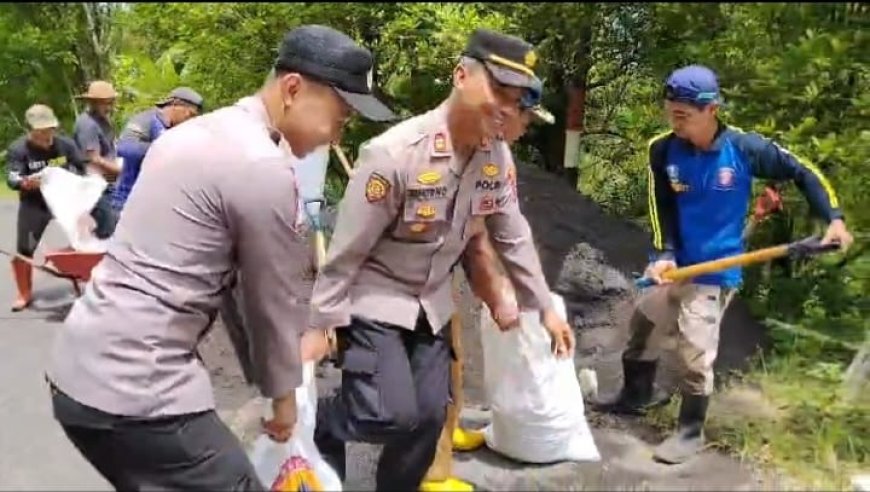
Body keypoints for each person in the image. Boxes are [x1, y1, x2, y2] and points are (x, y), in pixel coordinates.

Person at [46, 24, 395, 491]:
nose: (338, 133)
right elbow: (270, 307)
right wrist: (284, 403)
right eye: (340, 115)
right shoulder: (263, 168)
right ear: (293, 89)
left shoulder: (194, 135)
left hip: (77, 372)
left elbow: (234, 287)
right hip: (137, 393)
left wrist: (269, 383)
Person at [302, 29, 575, 491]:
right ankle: (332, 417)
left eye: (517, 99)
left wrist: (543, 306)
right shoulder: (394, 154)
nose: (506, 109)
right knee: (388, 414)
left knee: (429, 418)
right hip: (374, 297)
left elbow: (512, 234)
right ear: (461, 75)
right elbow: (346, 252)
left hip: (430, 304)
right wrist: (319, 324)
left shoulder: (496, 158)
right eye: (498, 91)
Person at [593, 64, 853, 465]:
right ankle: (635, 396)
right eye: (670, 112)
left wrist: (833, 218)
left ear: (711, 109)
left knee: (695, 348)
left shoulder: (745, 150)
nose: (674, 121)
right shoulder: (662, 149)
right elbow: (660, 206)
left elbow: (804, 171)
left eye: (684, 114)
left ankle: (689, 431)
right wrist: (663, 253)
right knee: (644, 324)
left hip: (717, 271)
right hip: (675, 263)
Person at [421, 77, 556, 492]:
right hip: (415, 275)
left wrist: (515, 290)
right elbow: (476, 238)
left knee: (454, 356)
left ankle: (449, 430)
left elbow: (504, 227)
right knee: (431, 367)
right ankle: (431, 471)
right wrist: (498, 293)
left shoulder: (496, 155)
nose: (527, 127)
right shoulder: (438, 150)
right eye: (527, 117)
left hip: (446, 267)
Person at [4, 104, 90, 311]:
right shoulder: (19, 149)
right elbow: (12, 177)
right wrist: (24, 183)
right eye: (40, 131)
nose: (46, 135)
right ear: (29, 130)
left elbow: (82, 168)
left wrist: (72, 178)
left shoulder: (65, 145)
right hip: (34, 203)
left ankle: (91, 283)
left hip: (64, 200)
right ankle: (24, 293)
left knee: (88, 240)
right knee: (25, 248)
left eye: (49, 129)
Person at [112, 87, 204, 212]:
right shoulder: (146, 120)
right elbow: (125, 148)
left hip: (151, 202)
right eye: (189, 114)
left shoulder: (172, 129)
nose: (189, 119)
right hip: (127, 199)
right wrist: (162, 148)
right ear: (176, 105)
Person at [73, 80, 121, 239]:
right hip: (92, 185)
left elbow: (110, 149)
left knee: (116, 227)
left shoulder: (104, 120)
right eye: (104, 104)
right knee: (108, 228)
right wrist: (119, 170)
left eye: (110, 103)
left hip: (107, 182)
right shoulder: (87, 125)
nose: (109, 107)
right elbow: (93, 159)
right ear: (93, 103)